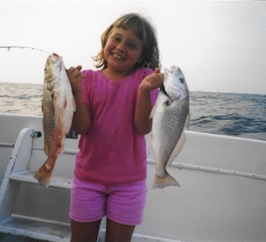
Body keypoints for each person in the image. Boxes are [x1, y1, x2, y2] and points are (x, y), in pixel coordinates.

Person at [67, 13, 163, 242]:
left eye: (131, 45)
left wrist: (144, 91)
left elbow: (142, 128)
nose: (121, 47)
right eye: (117, 39)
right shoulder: (87, 79)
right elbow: (82, 127)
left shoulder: (146, 79)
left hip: (129, 184)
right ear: (106, 40)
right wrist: (76, 91)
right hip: (88, 179)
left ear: (142, 55)